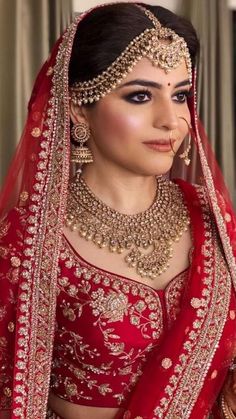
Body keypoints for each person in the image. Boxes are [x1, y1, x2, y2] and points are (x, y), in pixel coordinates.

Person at [0, 2, 236, 418]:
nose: (170, 119)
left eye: (180, 95)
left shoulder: (213, 219)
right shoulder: (25, 242)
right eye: (141, 96)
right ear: (78, 108)